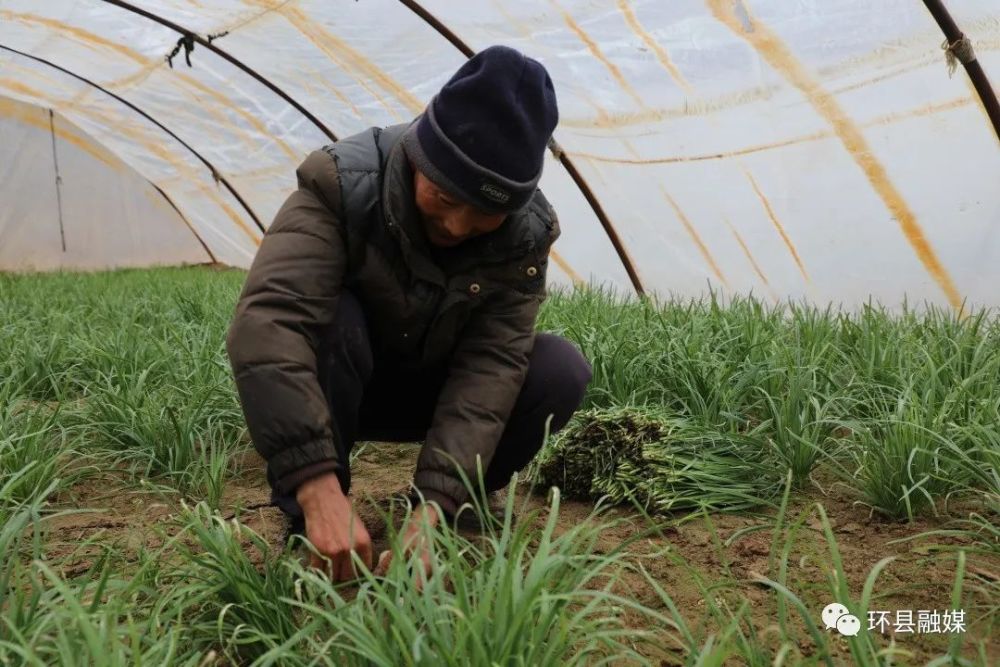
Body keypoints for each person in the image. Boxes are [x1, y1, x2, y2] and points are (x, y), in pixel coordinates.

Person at [225, 45, 592, 583]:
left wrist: (433, 509)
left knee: (559, 369)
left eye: (486, 213)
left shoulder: (523, 236)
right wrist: (315, 486)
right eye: (444, 196)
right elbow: (270, 322)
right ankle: (313, 520)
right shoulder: (341, 184)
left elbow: (490, 366)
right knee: (331, 319)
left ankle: (462, 509)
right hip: (347, 383)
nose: (458, 225)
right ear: (420, 156)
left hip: (434, 392)